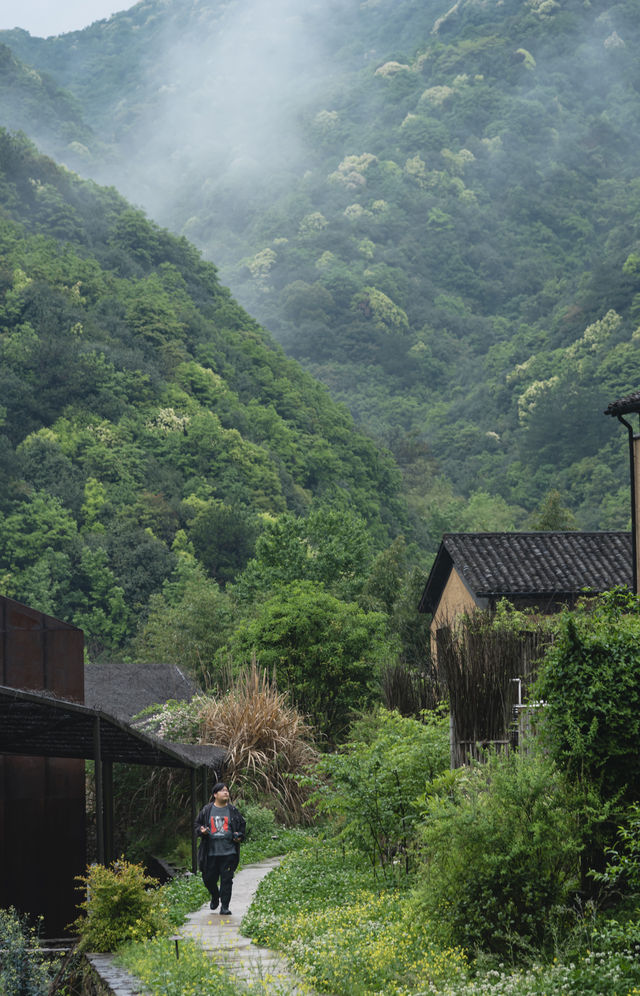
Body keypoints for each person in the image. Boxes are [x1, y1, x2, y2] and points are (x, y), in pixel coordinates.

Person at [194, 781, 246, 915]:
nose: (226, 793)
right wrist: (202, 831)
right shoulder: (207, 810)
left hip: (229, 852)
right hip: (210, 853)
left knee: (226, 880)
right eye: (223, 791)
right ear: (215, 794)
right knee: (208, 879)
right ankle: (215, 895)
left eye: (227, 790)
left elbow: (242, 825)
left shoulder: (233, 810)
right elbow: (196, 825)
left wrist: (239, 836)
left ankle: (225, 907)